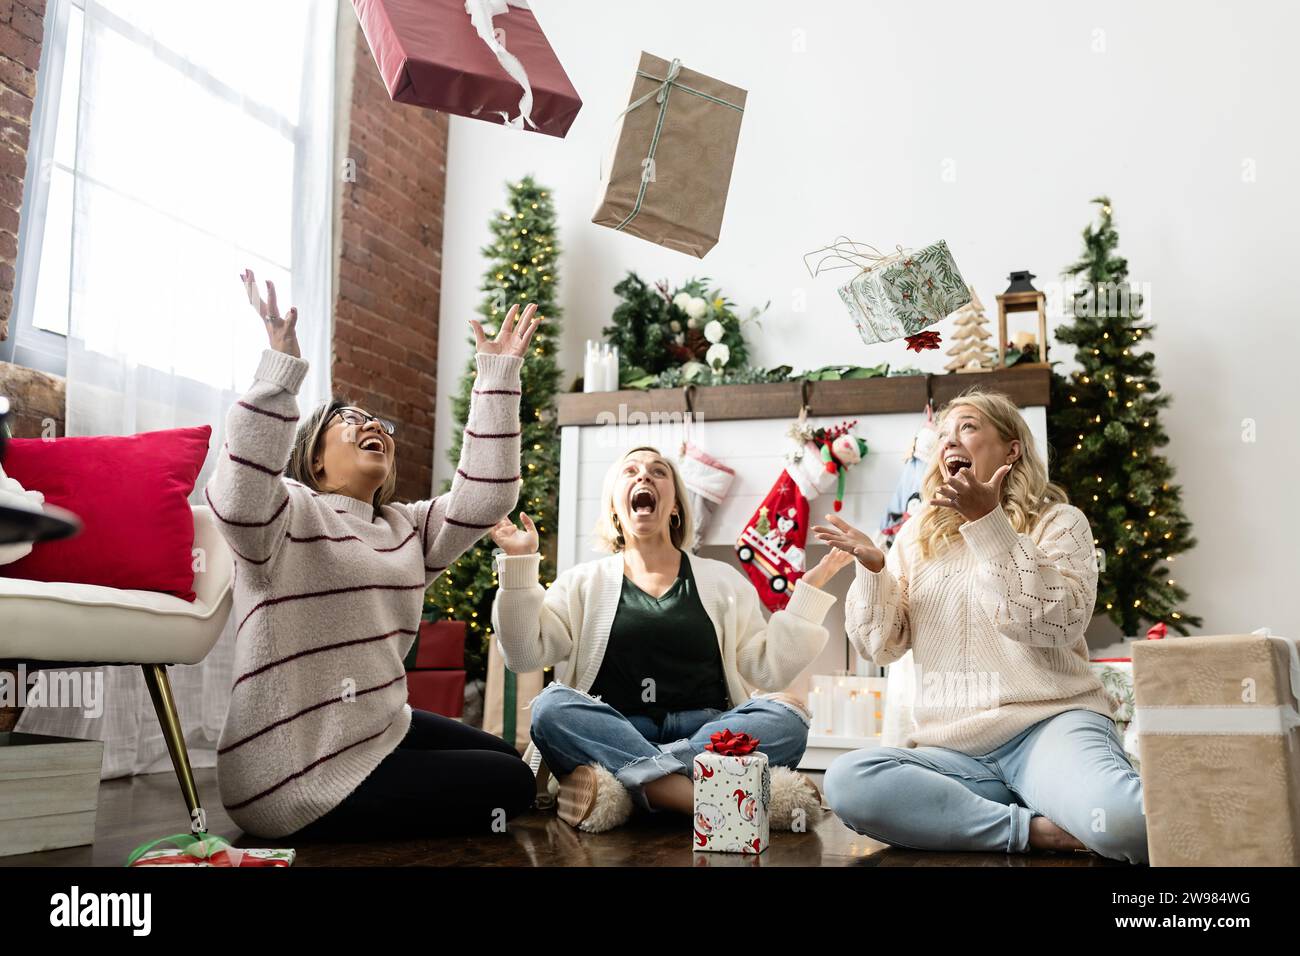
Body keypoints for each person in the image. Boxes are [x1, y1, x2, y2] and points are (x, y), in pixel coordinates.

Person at [206, 269, 539, 840]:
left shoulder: (405, 527)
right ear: (314, 461)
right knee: (510, 787)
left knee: (512, 764)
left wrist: (497, 375)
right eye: (350, 421)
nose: (373, 428)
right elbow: (235, 499)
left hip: (378, 729)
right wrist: (279, 372)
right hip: (289, 774)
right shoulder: (286, 513)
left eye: (379, 425)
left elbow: (484, 498)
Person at [814, 388, 1148, 864]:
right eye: (944, 433)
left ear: (1012, 449)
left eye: (967, 427)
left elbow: (1050, 624)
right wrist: (872, 570)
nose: (951, 440)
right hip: (953, 752)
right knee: (849, 780)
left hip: (1047, 728)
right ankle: (1033, 828)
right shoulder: (916, 535)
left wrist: (989, 522)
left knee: (1129, 824)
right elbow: (879, 646)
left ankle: (1002, 810)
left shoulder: (1060, 523)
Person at [488, 445, 854, 832]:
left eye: (658, 472)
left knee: (787, 717)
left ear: (675, 506)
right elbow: (525, 655)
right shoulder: (583, 582)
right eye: (630, 471)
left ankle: (636, 786)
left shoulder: (722, 580)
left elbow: (767, 670)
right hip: (616, 727)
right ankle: (704, 796)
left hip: (709, 734)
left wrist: (809, 592)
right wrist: (518, 566)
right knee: (551, 708)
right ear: (615, 506)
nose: (644, 476)